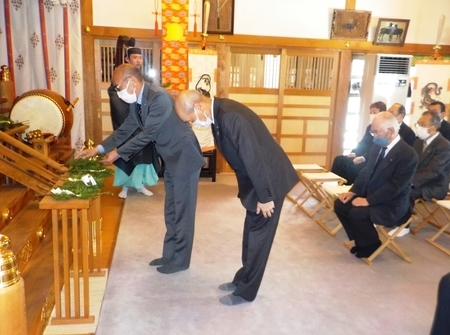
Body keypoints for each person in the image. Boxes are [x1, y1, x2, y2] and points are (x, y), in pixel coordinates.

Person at [76, 64, 205, 274]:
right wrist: (98, 148)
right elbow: (127, 129)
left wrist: (116, 154)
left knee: (183, 211)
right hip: (171, 157)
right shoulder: (138, 101)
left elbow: (147, 135)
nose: (117, 91)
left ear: (131, 81)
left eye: (118, 86)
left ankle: (181, 260)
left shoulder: (159, 98)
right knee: (171, 208)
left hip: (184, 156)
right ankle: (169, 253)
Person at [175, 90, 299, 306]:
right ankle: (242, 278)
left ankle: (246, 292)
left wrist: (265, 196)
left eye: (191, 120)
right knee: (250, 234)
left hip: (269, 181)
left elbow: (254, 158)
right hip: (256, 182)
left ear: (198, 107)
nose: (193, 124)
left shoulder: (230, 117)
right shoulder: (218, 113)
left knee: (259, 238)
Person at [333, 112, 418, 259]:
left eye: (375, 132)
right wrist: (353, 192)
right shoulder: (377, 146)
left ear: (390, 131)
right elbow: (366, 172)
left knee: (357, 213)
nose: (373, 135)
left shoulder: (408, 154)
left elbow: (394, 187)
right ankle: (363, 241)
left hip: (392, 204)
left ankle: (371, 244)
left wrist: (367, 201)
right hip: (372, 195)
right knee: (340, 204)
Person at [107, 47, 159, 199]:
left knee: (143, 156)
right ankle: (125, 185)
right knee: (125, 154)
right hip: (127, 124)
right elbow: (118, 103)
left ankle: (140, 184)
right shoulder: (119, 81)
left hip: (143, 126)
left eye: (140, 58)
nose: (138, 60)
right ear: (126, 59)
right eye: (134, 57)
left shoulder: (146, 80)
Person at [390, 111, 450, 237]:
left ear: (433, 127)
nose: (419, 127)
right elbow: (412, 163)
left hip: (434, 185)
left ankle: (404, 225)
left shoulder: (444, 145)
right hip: (418, 179)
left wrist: (409, 181)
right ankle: (389, 217)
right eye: (418, 123)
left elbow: (433, 171)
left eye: (423, 124)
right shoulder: (418, 142)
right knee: (391, 183)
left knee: (407, 191)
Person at [331, 101, 386, 185]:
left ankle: (349, 187)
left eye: (374, 112)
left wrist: (362, 156)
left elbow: (376, 147)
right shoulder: (369, 127)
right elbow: (363, 142)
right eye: (370, 113)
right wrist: (355, 152)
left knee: (352, 165)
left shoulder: (384, 129)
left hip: (370, 158)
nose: (372, 115)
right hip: (361, 153)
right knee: (339, 159)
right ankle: (338, 184)